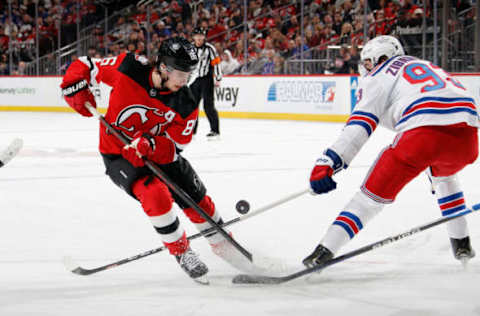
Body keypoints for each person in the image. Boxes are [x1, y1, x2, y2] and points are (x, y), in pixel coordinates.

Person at [60, 37, 244, 283]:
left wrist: (151, 144)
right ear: (164, 67)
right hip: (119, 155)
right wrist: (73, 86)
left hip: (159, 154)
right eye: (180, 74)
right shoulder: (128, 67)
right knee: (155, 193)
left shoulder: (186, 101)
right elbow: (86, 66)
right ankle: (182, 252)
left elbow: (177, 146)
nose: (185, 80)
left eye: (188, 74)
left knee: (197, 200)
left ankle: (228, 248)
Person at [303, 35, 479, 268]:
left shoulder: (381, 73)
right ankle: (462, 242)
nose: (366, 68)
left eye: (368, 62)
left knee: (369, 199)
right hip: (467, 139)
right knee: (444, 174)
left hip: (422, 137)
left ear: (382, 58)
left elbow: (360, 124)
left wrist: (331, 160)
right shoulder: (428, 66)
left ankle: (323, 251)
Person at [189, 27, 223, 140]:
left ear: (204, 37)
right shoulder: (190, 49)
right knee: (192, 106)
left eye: (201, 36)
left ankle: (215, 130)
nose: (199, 39)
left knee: (208, 106)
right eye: (197, 37)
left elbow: (216, 63)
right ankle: (192, 131)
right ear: (193, 37)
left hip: (206, 79)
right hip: (194, 80)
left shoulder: (210, 48)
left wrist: (218, 77)